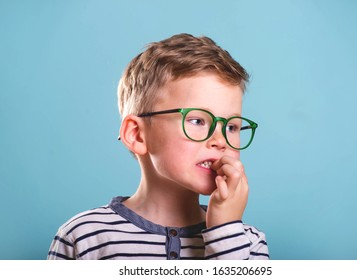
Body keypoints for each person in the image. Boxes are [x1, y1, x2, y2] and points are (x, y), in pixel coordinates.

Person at [47, 33, 269, 260]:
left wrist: (225, 233)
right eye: (197, 121)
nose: (220, 140)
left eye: (231, 127)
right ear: (137, 135)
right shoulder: (84, 238)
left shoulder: (248, 244)